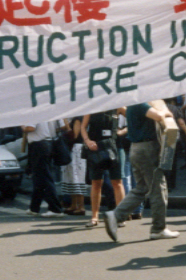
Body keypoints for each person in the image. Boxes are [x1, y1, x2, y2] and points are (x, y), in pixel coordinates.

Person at [102, 100, 179, 242]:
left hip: (137, 148)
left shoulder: (132, 104)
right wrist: (165, 113)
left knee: (142, 188)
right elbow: (157, 116)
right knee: (158, 189)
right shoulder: (140, 103)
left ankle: (116, 215)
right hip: (147, 148)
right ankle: (158, 229)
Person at [82, 110, 124, 227]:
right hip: (96, 147)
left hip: (114, 146)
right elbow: (83, 127)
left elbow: (132, 117)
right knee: (96, 182)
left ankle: (120, 216)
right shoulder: (92, 106)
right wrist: (87, 141)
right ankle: (94, 217)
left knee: (117, 182)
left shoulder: (117, 105)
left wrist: (123, 131)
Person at [23, 120, 65, 217]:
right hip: (49, 143)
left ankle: (56, 209)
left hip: (38, 145)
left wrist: (22, 126)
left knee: (44, 177)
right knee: (39, 177)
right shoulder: (49, 110)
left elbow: (30, 127)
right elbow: (62, 126)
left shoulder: (34, 111)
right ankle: (34, 207)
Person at [60, 117, 88, 216]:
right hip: (73, 149)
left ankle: (81, 206)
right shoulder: (76, 118)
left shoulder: (78, 119)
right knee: (72, 177)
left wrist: (66, 124)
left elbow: (75, 135)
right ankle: (73, 205)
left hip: (77, 149)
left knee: (77, 177)